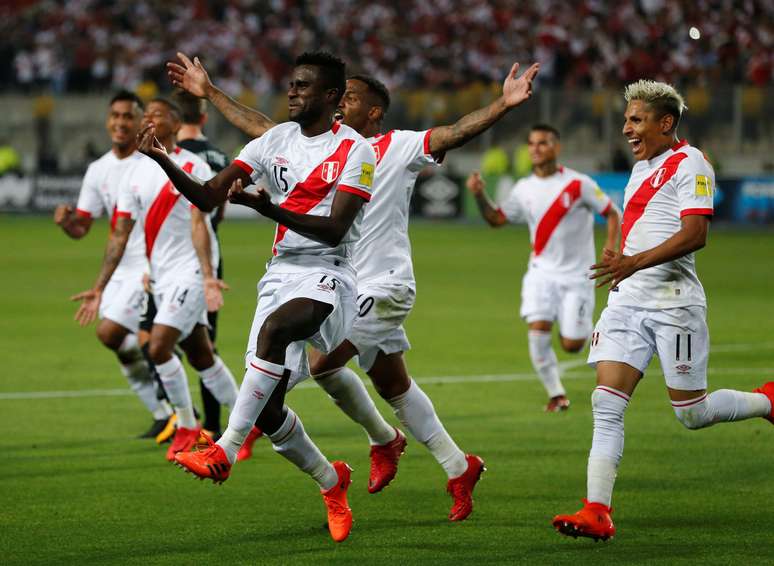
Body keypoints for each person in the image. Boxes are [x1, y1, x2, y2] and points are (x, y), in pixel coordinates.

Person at [167, 52, 538, 521]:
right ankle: (457, 465)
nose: (343, 104)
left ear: (374, 112)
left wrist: (502, 105)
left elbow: (454, 131)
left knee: (308, 365)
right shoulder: (307, 144)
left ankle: (274, 436)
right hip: (335, 281)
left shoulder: (396, 146)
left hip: (381, 283)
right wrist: (212, 91)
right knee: (392, 382)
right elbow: (260, 126)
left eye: (353, 97)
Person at [141, 52, 377, 543]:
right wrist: (162, 160)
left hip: (331, 274)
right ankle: (332, 482)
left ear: (332, 97)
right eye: (291, 84)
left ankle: (223, 449)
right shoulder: (274, 141)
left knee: (278, 329)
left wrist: (270, 209)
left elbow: (335, 230)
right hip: (280, 276)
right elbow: (209, 197)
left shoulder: (356, 151)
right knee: (268, 410)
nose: (292, 92)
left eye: (304, 86)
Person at [551, 80, 774, 541]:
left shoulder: (689, 163)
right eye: (627, 119)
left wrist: (631, 262)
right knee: (606, 404)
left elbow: (696, 234)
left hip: (675, 306)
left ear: (665, 122)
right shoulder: (641, 167)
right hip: (627, 303)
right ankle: (597, 510)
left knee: (691, 413)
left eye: (636, 120)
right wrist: (622, 264)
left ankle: (768, 400)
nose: (626, 128)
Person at [71, 98, 240, 462]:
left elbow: (201, 225)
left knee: (159, 346)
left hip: (191, 273)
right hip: (160, 278)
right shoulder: (133, 175)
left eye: (157, 116)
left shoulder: (193, 165)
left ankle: (187, 425)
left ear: (177, 125)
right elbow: (119, 234)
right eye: (145, 116)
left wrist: (209, 277)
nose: (148, 120)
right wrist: (99, 288)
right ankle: (253, 421)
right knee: (200, 355)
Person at [466, 124, 621, 412]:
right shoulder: (523, 188)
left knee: (572, 344)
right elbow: (497, 219)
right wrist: (478, 195)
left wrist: (611, 249)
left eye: (543, 143)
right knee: (537, 331)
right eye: (532, 143)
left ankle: (607, 335)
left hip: (577, 276)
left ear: (556, 148)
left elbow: (612, 212)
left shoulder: (578, 184)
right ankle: (556, 395)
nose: (536, 148)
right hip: (541, 273)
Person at [55, 91, 173, 438]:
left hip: (151, 264)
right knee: (114, 340)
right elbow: (83, 227)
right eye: (115, 116)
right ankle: (162, 410)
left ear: (140, 121)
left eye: (128, 116)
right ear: (108, 122)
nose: (120, 123)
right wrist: (66, 222)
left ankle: (174, 397)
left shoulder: (153, 161)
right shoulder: (99, 170)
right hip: (121, 266)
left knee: (120, 334)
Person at [173, 90, 231, 440]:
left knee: (159, 338)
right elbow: (216, 209)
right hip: (208, 253)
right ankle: (210, 424)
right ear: (204, 118)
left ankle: (179, 416)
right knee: (204, 341)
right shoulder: (220, 156)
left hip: (165, 258)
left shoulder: (165, 156)